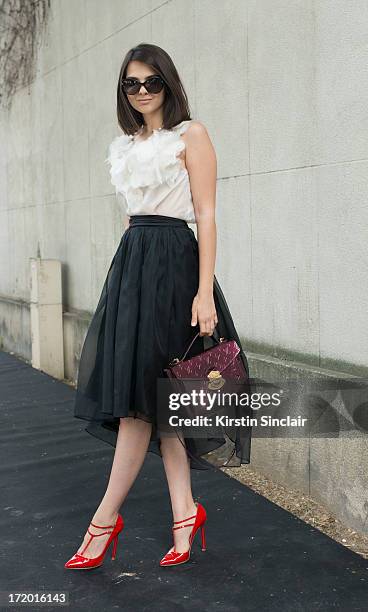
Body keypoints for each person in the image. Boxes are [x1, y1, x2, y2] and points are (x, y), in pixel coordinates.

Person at [65, 43, 251, 570]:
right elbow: (133, 215)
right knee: (157, 398)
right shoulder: (124, 144)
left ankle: (102, 524)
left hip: (174, 266)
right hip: (133, 267)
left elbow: (207, 215)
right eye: (132, 84)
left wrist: (202, 289)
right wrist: (127, 268)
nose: (142, 92)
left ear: (168, 83)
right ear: (123, 90)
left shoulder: (191, 135)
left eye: (152, 82)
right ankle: (185, 513)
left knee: (140, 405)